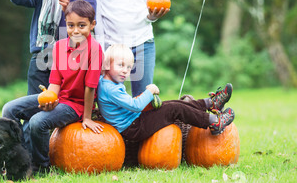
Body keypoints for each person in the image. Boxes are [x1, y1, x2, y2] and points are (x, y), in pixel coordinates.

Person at [2, 0, 104, 173]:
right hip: (60, 98)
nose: (76, 30)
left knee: (37, 122)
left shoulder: (95, 50)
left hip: (76, 106)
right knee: (9, 109)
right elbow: (55, 82)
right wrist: (48, 99)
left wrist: (87, 117)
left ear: (92, 25)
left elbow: (90, 88)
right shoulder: (58, 47)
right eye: (71, 25)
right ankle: (22, 160)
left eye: (82, 25)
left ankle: (42, 167)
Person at [97, 44, 235, 142]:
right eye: (120, 65)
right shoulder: (110, 89)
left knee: (172, 104)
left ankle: (211, 103)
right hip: (133, 128)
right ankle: (214, 122)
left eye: (128, 67)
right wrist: (149, 91)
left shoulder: (107, 82)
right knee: (174, 109)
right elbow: (135, 106)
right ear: (107, 65)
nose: (125, 71)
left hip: (135, 122)